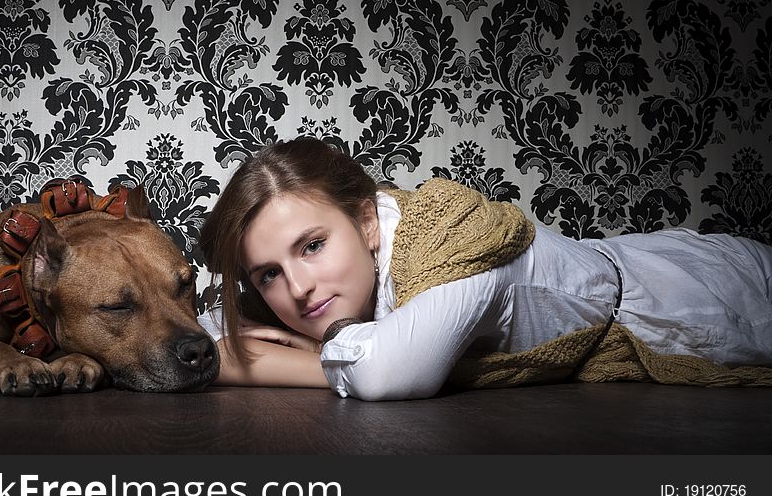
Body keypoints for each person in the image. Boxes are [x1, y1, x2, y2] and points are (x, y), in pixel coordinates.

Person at [197, 137, 772, 400]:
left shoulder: (454, 241)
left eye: (313, 246)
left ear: (368, 222)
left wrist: (267, 365)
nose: (297, 289)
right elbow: (196, 338)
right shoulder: (319, 281)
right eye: (267, 273)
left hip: (692, 292)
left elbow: (386, 374)